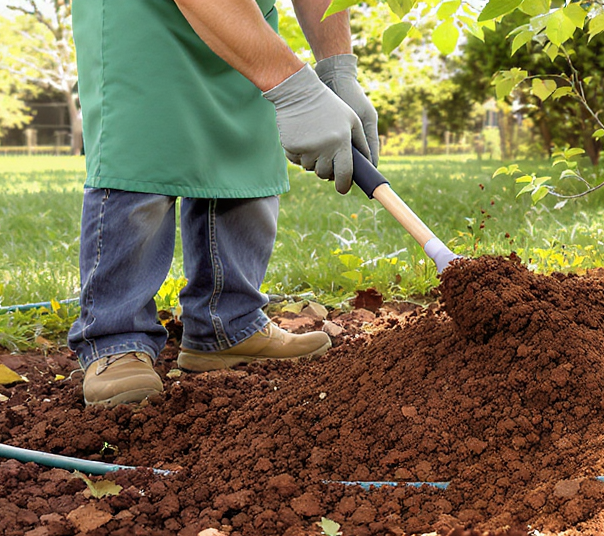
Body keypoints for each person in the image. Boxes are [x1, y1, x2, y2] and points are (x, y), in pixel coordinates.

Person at [68, 0, 379, 406]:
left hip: (247, 12)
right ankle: (115, 339)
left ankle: (227, 325)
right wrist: (296, 89)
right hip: (141, 16)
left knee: (244, 152)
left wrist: (337, 67)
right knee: (141, 153)